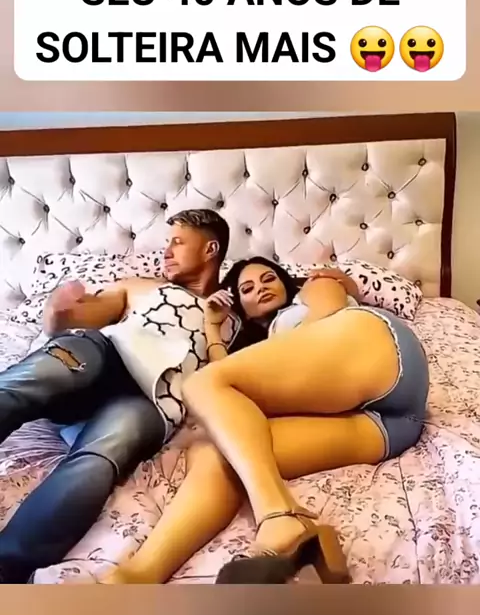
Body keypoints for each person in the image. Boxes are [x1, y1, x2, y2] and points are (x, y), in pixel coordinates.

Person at [102, 257, 429, 586]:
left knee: (199, 384)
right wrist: (212, 327)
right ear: (240, 307)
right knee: (223, 449)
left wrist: (332, 287)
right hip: (392, 425)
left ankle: (279, 518)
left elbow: (328, 313)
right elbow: (230, 396)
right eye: (247, 288)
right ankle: (141, 574)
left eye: (268, 279)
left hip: (379, 347)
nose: (260, 288)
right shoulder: (265, 342)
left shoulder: (310, 290)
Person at [0, 208, 234, 584]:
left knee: (98, 459)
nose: (166, 252)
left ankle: (7, 567)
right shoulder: (139, 286)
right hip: (104, 356)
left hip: (154, 399)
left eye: (177, 242)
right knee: (21, 386)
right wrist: (59, 314)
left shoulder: (232, 318)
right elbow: (83, 317)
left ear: (210, 249)